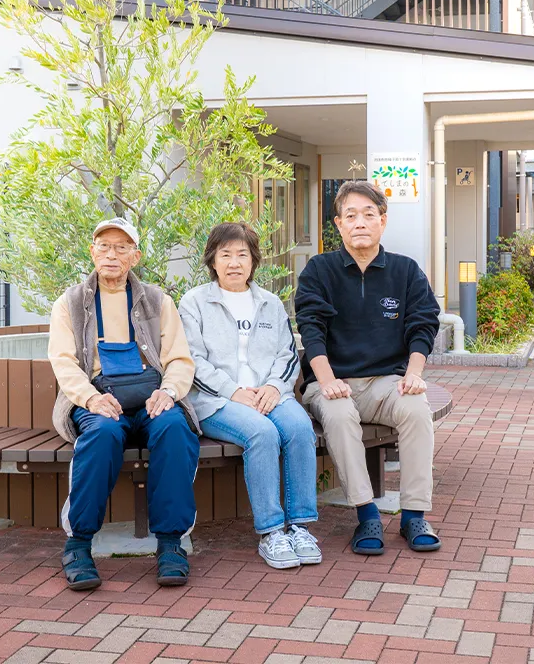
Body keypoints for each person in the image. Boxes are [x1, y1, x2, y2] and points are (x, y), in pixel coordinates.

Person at [49, 217, 200, 591]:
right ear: (92, 252)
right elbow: (64, 363)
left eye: (121, 248)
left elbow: (180, 359)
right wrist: (91, 398)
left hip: (151, 394)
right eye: (104, 246)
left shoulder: (157, 300)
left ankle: (170, 544)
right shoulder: (70, 303)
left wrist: (169, 392)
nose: (111, 255)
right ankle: (79, 544)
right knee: (100, 434)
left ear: (136, 256)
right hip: (97, 397)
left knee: (175, 428)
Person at [295, 181, 442, 555]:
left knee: (415, 409)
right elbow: (311, 327)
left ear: (383, 221)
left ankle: (413, 514)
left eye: (368, 215)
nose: (360, 222)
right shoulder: (319, 270)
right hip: (331, 381)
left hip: (384, 383)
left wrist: (414, 374)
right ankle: (366, 514)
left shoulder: (405, 270)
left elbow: (423, 323)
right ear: (339, 224)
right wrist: (327, 381)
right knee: (340, 414)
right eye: (351, 216)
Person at [179, 222, 321, 569]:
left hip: (269, 395)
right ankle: (272, 531)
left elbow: (287, 354)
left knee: (300, 429)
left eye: (242, 254)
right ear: (212, 260)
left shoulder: (269, 303)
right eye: (225, 254)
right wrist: (233, 392)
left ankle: (300, 526)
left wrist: (274, 387)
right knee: (262, 433)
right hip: (217, 402)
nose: (234, 262)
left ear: (253, 261)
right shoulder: (195, 302)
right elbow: (192, 360)